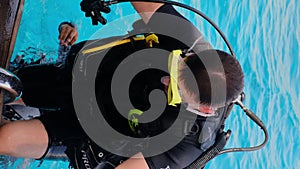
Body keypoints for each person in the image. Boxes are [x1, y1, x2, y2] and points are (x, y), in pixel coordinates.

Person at [0, 2, 244, 169]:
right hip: (89, 75)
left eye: (175, 91)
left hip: (88, 131)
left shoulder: (189, 144)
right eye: (175, 66)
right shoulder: (187, 40)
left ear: (203, 110)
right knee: (23, 80)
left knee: (6, 140)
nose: (165, 80)